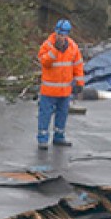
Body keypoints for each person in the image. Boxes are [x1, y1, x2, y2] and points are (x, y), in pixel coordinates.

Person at [36, 19, 84, 149]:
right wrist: (55, 51)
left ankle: (59, 136)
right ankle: (42, 139)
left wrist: (79, 82)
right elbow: (44, 62)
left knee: (62, 114)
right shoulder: (47, 45)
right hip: (49, 90)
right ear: (55, 32)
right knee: (45, 114)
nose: (61, 37)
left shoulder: (73, 47)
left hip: (65, 90)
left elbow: (78, 65)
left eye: (64, 34)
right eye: (60, 34)